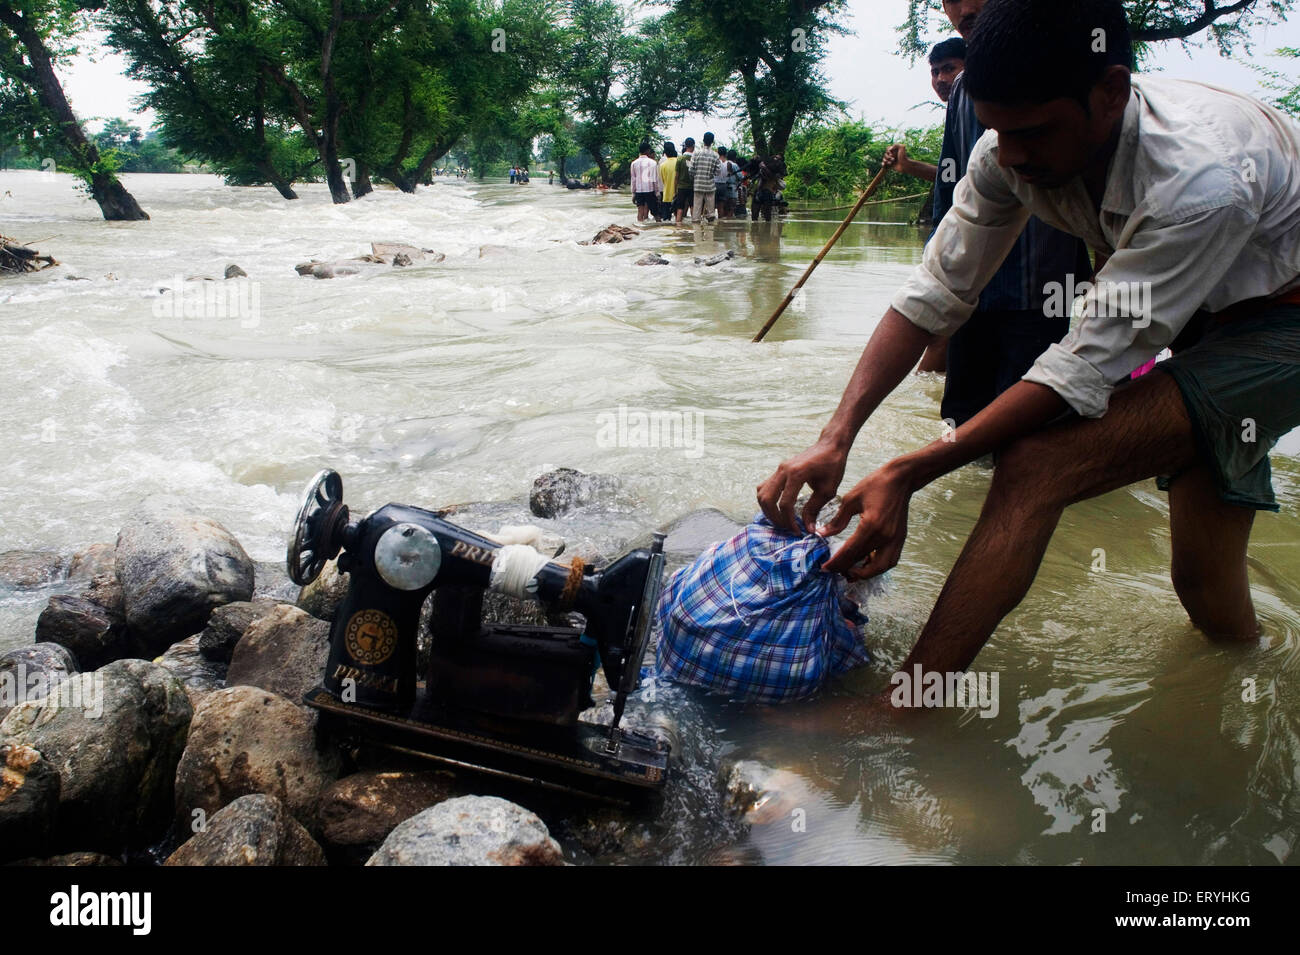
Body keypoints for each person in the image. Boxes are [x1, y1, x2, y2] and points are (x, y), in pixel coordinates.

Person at [757, 0, 1300, 717]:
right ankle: (1253, 692)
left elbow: (1077, 368)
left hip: (1280, 323)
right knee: (1203, 585)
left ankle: (901, 715)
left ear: (1110, 94)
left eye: (1034, 131)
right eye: (996, 130)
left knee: (1036, 464)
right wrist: (837, 437)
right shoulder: (1006, 149)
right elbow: (935, 291)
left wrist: (911, 469)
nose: (1011, 156)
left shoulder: (1199, 183)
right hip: (1201, 316)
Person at [893, 0, 1092, 424]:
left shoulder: (1061, 67)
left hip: (1041, 286)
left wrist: (1091, 276)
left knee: (1023, 422)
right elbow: (951, 182)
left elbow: (1088, 189)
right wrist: (937, 276)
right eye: (950, 0)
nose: (964, 8)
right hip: (975, 288)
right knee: (959, 419)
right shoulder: (964, 93)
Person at [884, 38, 966, 373]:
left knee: (941, 333)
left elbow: (980, 182)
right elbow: (960, 177)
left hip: (970, 243)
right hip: (955, 238)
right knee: (943, 331)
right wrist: (909, 166)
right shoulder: (958, 108)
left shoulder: (974, 101)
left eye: (949, 68)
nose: (941, 79)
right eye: (935, 72)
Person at [690, 132, 722, 224]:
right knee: (711, 212)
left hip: (698, 184)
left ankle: (697, 232)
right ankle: (710, 233)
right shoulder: (715, 155)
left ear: (703, 140)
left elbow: (691, 169)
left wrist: (695, 177)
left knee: (696, 212)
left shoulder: (696, 153)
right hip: (710, 186)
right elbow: (718, 172)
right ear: (712, 142)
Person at [630, 142, 663, 223]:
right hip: (649, 190)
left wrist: (633, 193)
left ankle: (640, 229)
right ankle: (660, 229)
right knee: (655, 213)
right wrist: (657, 193)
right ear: (648, 151)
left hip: (639, 191)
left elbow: (633, 179)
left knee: (640, 211)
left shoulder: (634, 163)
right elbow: (654, 179)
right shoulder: (652, 163)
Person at [674, 138, 696, 225]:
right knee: (693, 207)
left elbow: (676, 177)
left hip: (681, 187)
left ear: (685, 146)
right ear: (693, 146)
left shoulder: (680, 159)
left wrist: (675, 190)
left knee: (680, 208)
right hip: (692, 187)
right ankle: (695, 226)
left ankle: (678, 227)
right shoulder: (695, 159)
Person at [659, 142, 679, 221]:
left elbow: (663, 181)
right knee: (678, 218)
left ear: (665, 153)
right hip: (677, 194)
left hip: (666, 195)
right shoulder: (678, 162)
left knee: (666, 220)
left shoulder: (662, 165)